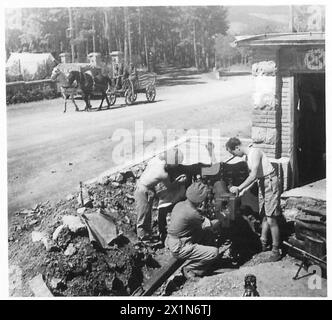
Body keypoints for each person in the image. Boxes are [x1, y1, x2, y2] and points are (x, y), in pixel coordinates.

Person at [225, 137, 281, 261]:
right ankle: (263, 243)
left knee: (271, 218)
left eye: (233, 153)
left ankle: (276, 250)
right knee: (264, 215)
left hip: (270, 182)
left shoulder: (254, 152)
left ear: (237, 147)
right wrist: (244, 190)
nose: (234, 155)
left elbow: (253, 174)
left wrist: (239, 187)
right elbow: (255, 178)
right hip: (262, 182)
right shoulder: (247, 156)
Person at [166, 182, 221, 279]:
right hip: (179, 246)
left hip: (173, 240)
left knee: (207, 233)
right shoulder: (192, 213)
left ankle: (205, 260)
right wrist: (221, 219)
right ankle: (190, 269)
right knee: (214, 252)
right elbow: (210, 225)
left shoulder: (180, 204)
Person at [134, 148, 186, 243]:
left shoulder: (155, 160)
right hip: (143, 190)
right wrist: (178, 181)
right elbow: (170, 187)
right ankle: (144, 240)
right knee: (143, 215)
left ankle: (147, 235)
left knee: (146, 213)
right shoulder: (163, 174)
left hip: (142, 186)